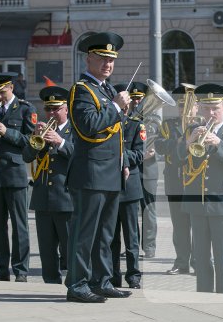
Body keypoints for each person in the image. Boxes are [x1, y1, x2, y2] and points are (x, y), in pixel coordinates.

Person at [65, 32, 132, 302]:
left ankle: (101, 280)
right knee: (85, 233)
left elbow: (115, 133)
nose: (107, 63)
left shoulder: (106, 89)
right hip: (90, 173)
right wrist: (116, 106)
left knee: (105, 234)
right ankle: (77, 284)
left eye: (111, 59)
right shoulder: (81, 90)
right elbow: (88, 126)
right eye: (102, 58)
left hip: (111, 171)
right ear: (89, 58)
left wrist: (123, 161)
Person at [179, 83, 223, 293]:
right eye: (207, 108)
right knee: (200, 255)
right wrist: (189, 141)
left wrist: (219, 143)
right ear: (200, 108)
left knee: (222, 255)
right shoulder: (192, 130)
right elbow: (178, 159)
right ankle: (204, 294)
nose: (211, 113)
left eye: (215, 108)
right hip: (197, 202)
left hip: (222, 203)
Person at [0, 72, 36, 282]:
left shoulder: (25, 109)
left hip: (16, 174)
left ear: (11, 88)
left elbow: (32, 141)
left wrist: (7, 132)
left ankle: (21, 271)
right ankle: (1, 269)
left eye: (2, 92)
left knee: (19, 225)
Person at [21, 86, 74, 284]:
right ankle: (50, 284)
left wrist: (61, 142)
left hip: (66, 198)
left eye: (56, 108)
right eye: (48, 109)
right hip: (43, 199)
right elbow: (26, 157)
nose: (52, 113)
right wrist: (35, 138)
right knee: (46, 250)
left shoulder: (75, 131)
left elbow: (81, 158)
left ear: (66, 108)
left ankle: (74, 283)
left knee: (70, 248)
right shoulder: (41, 132)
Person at [156, 85, 197, 275]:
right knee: (180, 226)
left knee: (198, 225)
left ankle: (198, 262)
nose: (185, 110)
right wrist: (180, 141)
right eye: (182, 106)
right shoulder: (168, 125)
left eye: (189, 106)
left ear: (196, 107)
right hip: (175, 180)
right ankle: (181, 263)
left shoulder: (201, 125)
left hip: (197, 181)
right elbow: (160, 146)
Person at [110, 82, 146, 289]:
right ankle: (114, 274)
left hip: (130, 186)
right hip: (110, 186)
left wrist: (121, 158)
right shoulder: (107, 122)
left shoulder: (135, 124)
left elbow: (139, 153)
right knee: (111, 236)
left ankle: (133, 275)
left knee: (131, 236)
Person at [127, 82, 159, 259]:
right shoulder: (128, 118)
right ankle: (132, 247)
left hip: (149, 170)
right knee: (131, 211)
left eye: (139, 98)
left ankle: (150, 247)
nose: (136, 101)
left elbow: (159, 143)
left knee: (148, 209)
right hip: (132, 168)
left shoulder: (153, 119)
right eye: (133, 99)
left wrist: (153, 151)